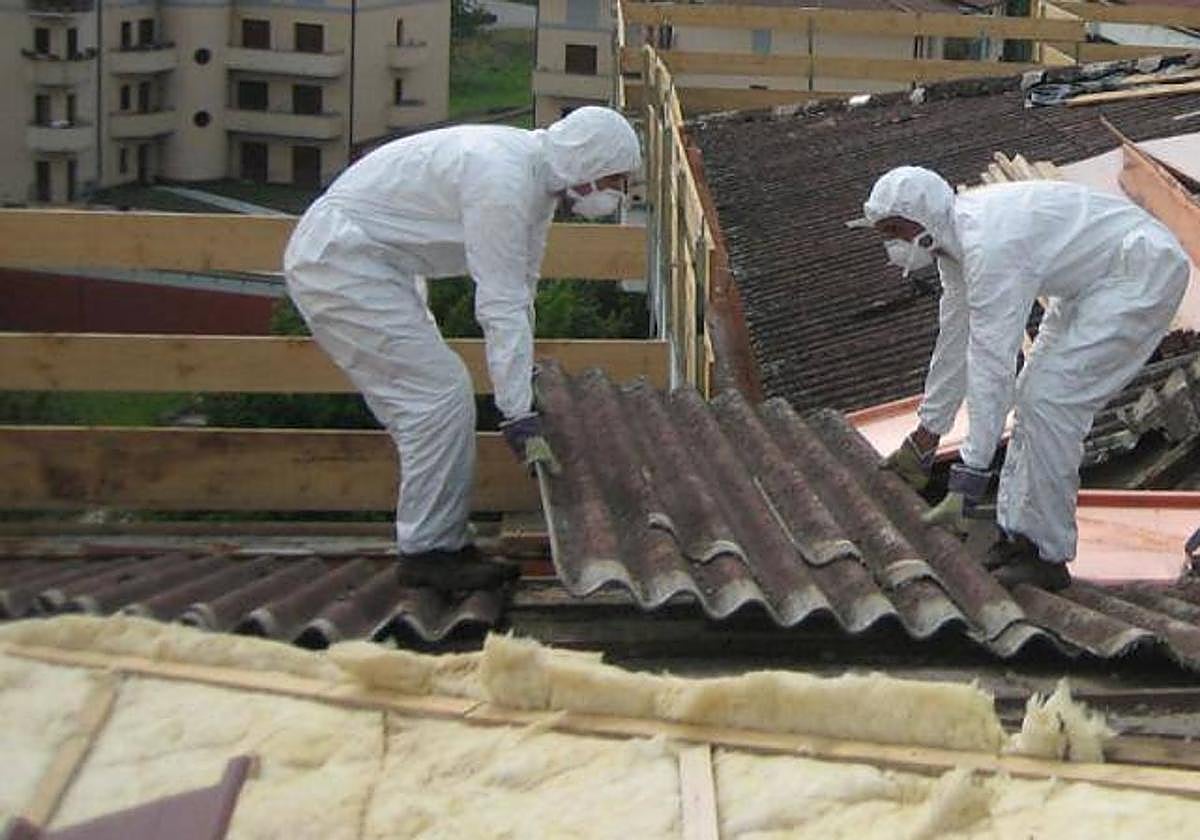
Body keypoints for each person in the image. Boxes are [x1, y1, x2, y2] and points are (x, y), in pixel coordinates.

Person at [284, 106, 642, 591]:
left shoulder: (533, 183)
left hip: (373, 263)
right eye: (615, 178)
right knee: (437, 399)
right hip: (341, 261)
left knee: (434, 402)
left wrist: (521, 389)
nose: (617, 192)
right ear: (588, 162)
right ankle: (428, 553)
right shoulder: (503, 179)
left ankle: (442, 541)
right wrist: (515, 412)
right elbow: (499, 302)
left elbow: (522, 289)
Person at [849, 166, 1188, 590]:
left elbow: (992, 361)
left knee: (1050, 402)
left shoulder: (989, 245)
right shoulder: (954, 247)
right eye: (886, 234)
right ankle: (1019, 536)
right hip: (1090, 284)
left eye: (897, 230)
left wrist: (970, 474)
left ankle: (1046, 553)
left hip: (1140, 270)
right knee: (1033, 396)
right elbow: (955, 341)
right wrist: (926, 433)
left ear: (925, 217)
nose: (893, 245)